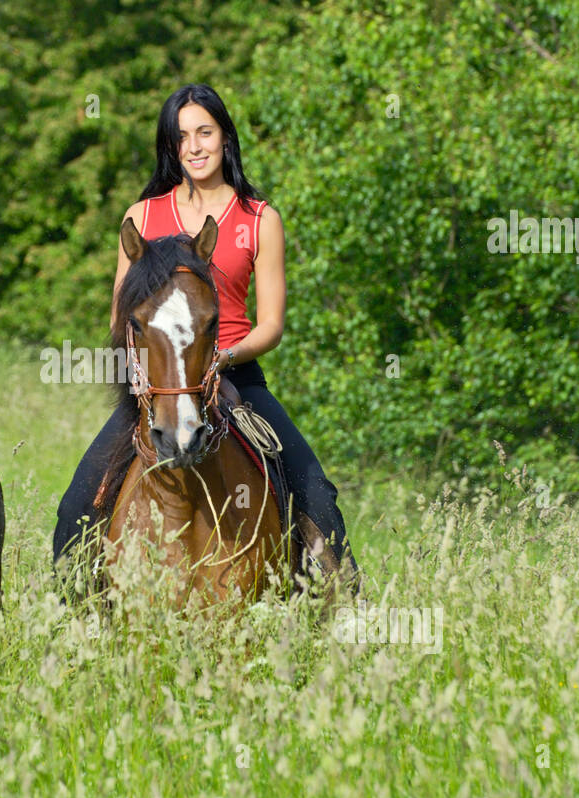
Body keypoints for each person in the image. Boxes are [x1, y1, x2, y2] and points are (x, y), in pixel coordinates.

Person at [53, 83, 355, 570]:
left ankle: (338, 606)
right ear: (170, 148)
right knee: (78, 502)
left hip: (236, 376)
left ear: (225, 138)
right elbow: (119, 318)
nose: (194, 147)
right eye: (181, 137)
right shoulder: (141, 217)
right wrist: (150, 376)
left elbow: (271, 324)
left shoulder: (259, 219)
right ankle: (74, 612)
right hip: (158, 382)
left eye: (205, 132)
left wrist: (222, 359)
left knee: (315, 494)